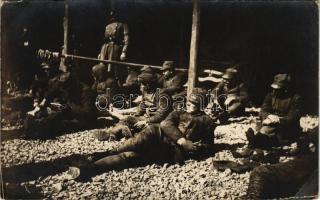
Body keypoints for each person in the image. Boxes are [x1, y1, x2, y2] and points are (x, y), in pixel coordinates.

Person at [68, 88, 215, 181]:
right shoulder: (178, 112)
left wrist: (196, 148)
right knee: (147, 133)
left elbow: (209, 146)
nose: (189, 105)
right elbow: (165, 124)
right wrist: (183, 140)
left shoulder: (208, 122)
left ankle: (89, 169)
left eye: (193, 103)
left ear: (201, 105)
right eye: (188, 102)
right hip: (160, 137)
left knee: (131, 156)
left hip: (171, 152)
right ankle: (102, 155)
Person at [95, 67, 171, 141]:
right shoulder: (146, 92)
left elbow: (160, 115)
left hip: (154, 121)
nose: (140, 87)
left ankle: (131, 134)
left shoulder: (162, 94)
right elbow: (141, 107)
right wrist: (135, 115)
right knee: (127, 119)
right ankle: (112, 134)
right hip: (144, 118)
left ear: (148, 85)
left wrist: (145, 121)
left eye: (142, 84)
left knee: (144, 129)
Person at [246, 73, 302, 149]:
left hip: (286, 127)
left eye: (279, 89)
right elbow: (263, 111)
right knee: (265, 130)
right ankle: (257, 142)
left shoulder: (295, 98)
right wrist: (269, 116)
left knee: (269, 134)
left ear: (286, 88)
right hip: (271, 123)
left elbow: (293, 117)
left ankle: (255, 142)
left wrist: (278, 120)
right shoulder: (271, 95)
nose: (275, 91)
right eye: (274, 88)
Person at [98, 10, 129, 83]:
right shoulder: (107, 26)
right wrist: (100, 52)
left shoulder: (123, 25)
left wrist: (124, 51)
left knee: (114, 69)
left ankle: (114, 85)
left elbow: (126, 39)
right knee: (102, 68)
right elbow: (104, 40)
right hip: (105, 48)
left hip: (115, 48)